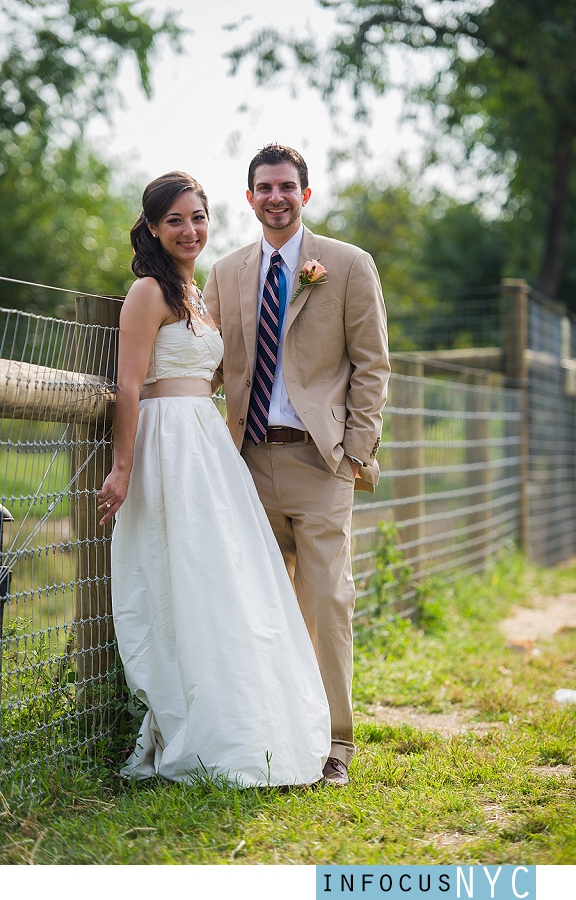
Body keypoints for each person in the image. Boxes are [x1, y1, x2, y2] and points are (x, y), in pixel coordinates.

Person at [97, 171, 330, 786]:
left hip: (207, 443)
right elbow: (128, 384)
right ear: (152, 227)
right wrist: (122, 468)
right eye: (174, 220)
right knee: (185, 576)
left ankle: (246, 717)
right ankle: (192, 720)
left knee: (226, 576)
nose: (189, 230)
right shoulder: (148, 292)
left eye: (197, 217)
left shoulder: (195, 294)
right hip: (167, 442)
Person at [203, 145, 390, 786]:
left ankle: (336, 744)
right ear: (249, 197)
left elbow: (373, 364)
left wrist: (356, 453)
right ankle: (269, 731)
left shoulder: (347, 265)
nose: (276, 197)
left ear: (304, 195)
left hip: (320, 460)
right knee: (254, 601)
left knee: (329, 598)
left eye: (287, 186)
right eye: (264, 187)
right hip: (244, 462)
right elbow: (206, 367)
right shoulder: (225, 273)